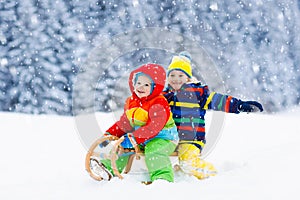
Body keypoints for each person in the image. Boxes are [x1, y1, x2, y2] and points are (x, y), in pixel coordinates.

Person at [163, 51, 263, 179]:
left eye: (180, 75)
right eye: (172, 75)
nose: (176, 79)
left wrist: (239, 105)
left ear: (188, 78)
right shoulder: (164, 96)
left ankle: (214, 176)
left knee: (188, 162)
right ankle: (159, 175)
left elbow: (219, 101)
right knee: (154, 152)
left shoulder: (198, 94)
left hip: (191, 139)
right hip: (170, 138)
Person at [95, 63, 179, 183]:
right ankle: (108, 168)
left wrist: (134, 138)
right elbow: (124, 123)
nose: (141, 87)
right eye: (138, 83)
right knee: (122, 146)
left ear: (155, 87)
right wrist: (110, 134)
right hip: (141, 138)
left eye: (146, 84)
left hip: (164, 138)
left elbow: (153, 128)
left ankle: (162, 178)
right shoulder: (131, 102)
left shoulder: (159, 103)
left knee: (154, 150)